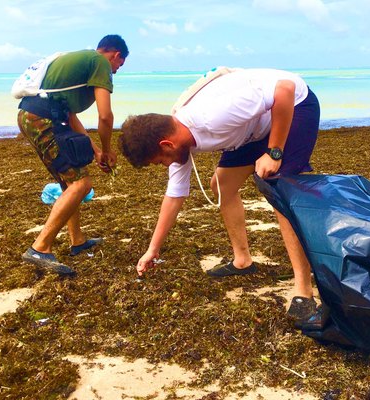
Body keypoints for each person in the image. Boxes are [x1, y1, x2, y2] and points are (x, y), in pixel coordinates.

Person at [118, 68, 323, 328]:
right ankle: (243, 260)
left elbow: (284, 90)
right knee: (222, 185)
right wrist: (152, 250)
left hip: (294, 106)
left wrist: (274, 151)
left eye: (160, 161)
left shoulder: (212, 116)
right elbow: (174, 196)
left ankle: (303, 291)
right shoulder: (179, 139)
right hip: (251, 129)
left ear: (166, 145)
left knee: (280, 191)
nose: (164, 165)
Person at [17, 34, 128, 276]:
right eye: (120, 64)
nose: (117, 70)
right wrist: (108, 149)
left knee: (70, 182)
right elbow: (106, 116)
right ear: (116, 55)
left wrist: (96, 151)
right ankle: (40, 247)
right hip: (42, 119)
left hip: (36, 115)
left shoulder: (81, 60)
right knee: (82, 183)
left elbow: (69, 115)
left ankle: (77, 240)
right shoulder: (99, 63)